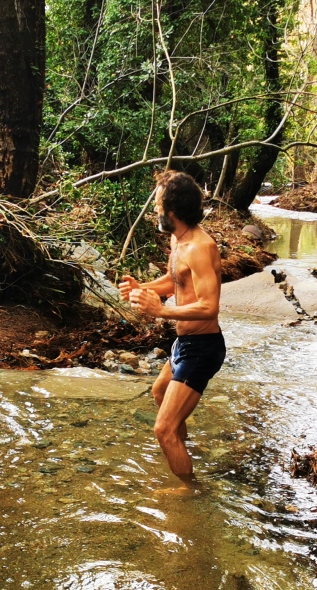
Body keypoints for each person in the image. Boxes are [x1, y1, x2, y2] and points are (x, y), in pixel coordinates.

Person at [119, 170, 224, 485]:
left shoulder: (201, 247)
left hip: (204, 348)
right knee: (160, 390)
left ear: (172, 212)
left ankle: (189, 493)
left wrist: (162, 310)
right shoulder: (179, 239)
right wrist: (144, 286)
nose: (154, 210)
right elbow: (176, 280)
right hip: (185, 345)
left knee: (163, 429)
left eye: (157, 204)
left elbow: (209, 306)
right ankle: (184, 450)